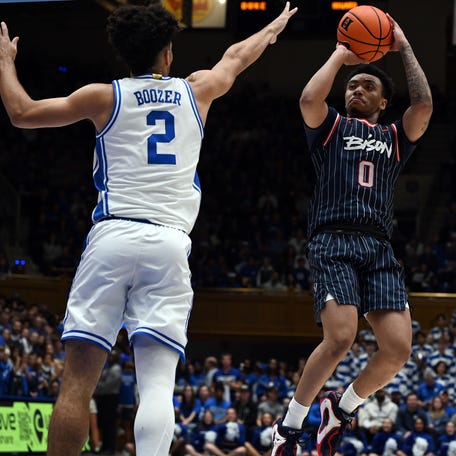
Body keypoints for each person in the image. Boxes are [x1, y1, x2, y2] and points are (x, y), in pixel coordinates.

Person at [0, 3, 298, 455]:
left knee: (77, 385)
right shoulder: (196, 90)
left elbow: (21, 112)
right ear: (168, 53)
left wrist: (5, 62)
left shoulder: (104, 95)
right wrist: (273, 29)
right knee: (157, 385)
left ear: (125, 54)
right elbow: (236, 56)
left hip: (113, 236)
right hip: (170, 244)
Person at [271, 13, 433, 456]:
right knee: (340, 337)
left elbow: (423, 106)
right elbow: (308, 97)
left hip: (378, 246)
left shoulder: (395, 137)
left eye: (367, 87)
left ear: (383, 103)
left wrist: (403, 47)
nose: (356, 90)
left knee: (398, 349)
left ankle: (338, 411)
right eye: (352, 86)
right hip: (334, 239)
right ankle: (288, 428)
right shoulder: (331, 128)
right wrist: (341, 55)